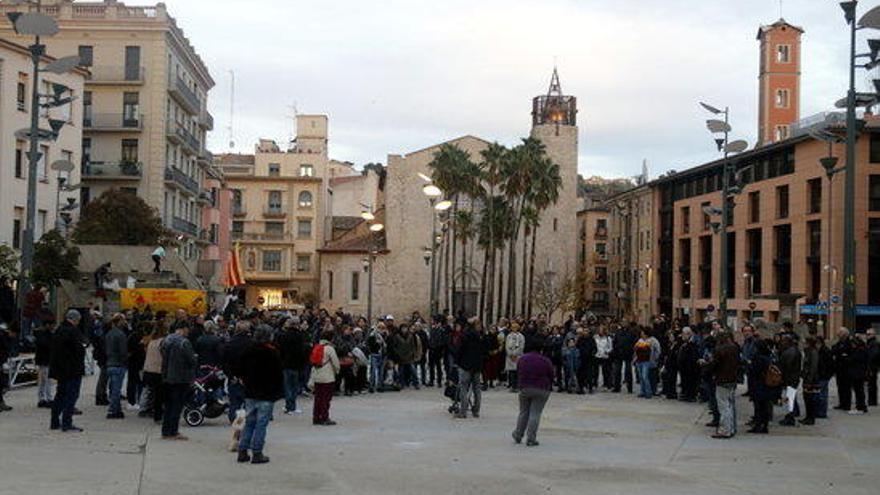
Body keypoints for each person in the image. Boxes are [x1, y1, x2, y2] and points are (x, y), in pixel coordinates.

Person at [236, 327, 284, 464]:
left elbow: (240, 369)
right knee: (261, 424)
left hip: (250, 391)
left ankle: (242, 450)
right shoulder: (272, 353)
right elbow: (278, 374)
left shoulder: (248, 351)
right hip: (267, 393)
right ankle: (257, 452)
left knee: (249, 422)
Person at [49, 310, 87, 432]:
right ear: (75, 319)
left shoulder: (59, 330)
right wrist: (83, 347)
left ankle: (54, 421)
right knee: (71, 396)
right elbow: (78, 350)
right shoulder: (73, 331)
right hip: (72, 370)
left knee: (60, 395)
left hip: (60, 370)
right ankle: (67, 422)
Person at [512, 341, 555, 447]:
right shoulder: (546, 360)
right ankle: (531, 438)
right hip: (542, 388)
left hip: (525, 387)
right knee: (535, 413)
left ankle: (518, 434)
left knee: (523, 412)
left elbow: (518, 372)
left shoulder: (522, 359)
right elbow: (551, 375)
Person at [160, 322, 197, 440]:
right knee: (177, 405)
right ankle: (173, 431)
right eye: (187, 329)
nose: (188, 332)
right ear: (183, 329)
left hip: (167, 376)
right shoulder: (184, 342)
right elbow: (191, 360)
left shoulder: (166, 341)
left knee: (168, 405)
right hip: (181, 377)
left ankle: (165, 431)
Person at [704, 331, 739, 439]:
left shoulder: (719, 350)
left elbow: (714, 365)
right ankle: (732, 428)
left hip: (721, 379)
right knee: (730, 404)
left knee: (723, 406)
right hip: (732, 379)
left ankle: (725, 430)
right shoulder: (734, 348)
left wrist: (706, 367)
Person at [455, 319, 486, 419]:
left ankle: (463, 411)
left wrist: (458, 362)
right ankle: (476, 411)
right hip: (477, 366)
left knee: (464, 388)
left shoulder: (464, 336)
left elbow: (459, 350)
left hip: (465, 365)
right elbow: (484, 352)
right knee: (477, 389)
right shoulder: (481, 337)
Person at [747, 339, 779, 434]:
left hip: (758, 385)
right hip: (766, 384)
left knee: (759, 406)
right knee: (764, 406)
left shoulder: (758, 358)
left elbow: (754, 371)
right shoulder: (768, 357)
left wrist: (749, 365)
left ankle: (758, 425)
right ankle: (764, 425)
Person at [276, 319, 306, 414]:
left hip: (285, 364)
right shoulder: (300, 336)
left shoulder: (283, 335)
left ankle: (288, 405)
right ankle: (292, 406)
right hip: (296, 364)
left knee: (287, 386)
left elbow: (279, 349)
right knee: (294, 386)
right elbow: (302, 351)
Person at [312, 330, 340, 426]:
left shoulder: (316, 347)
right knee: (326, 399)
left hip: (317, 376)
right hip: (327, 377)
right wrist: (337, 371)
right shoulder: (330, 349)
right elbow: (336, 363)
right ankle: (324, 417)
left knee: (318, 398)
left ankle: (316, 417)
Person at [104, 314, 129, 419]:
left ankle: (117, 409)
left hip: (110, 363)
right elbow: (123, 351)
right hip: (118, 364)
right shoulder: (121, 335)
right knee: (116, 389)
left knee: (113, 388)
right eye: (123, 321)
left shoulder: (108, 334)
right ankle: (113, 410)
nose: (125, 323)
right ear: (118, 322)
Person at [778, 333, 803, 426]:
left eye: (783, 341)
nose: (782, 343)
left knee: (790, 397)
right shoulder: (793, 350)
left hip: (790, 377)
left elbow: (787, 366)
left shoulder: (790, 352)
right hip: (793, 377)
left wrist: (782, 376)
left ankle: (791, 416)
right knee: (791, 397)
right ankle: (793, 412)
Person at [34, 317, 55, 408]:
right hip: (45, 360)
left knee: (43, 381)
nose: (53, 327)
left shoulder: (40, 334)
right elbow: (47, 345)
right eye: (52, 325)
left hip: (42, 360)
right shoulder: (45, 334)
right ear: (47, 325)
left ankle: (42, 398)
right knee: (47, 380)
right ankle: (48, 398)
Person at [800, 335, 820, 425]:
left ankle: (810, 418)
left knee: (810, 399)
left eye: (805, 342)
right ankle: (808, 416)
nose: (803, 344)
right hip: (806, 378)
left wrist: (810, 379)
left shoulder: (813, 352)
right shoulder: (808, 352)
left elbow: (813, 367)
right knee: (806, 398)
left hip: (811, 380)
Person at [633, 330, 654, 399]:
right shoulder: (639, 341)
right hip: (639, 360)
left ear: (646, 335)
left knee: (645, 376)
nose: (642, 335)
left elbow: (647, 348)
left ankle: (648, 392)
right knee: (641, 377)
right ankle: (642, 391)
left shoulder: (650, 341)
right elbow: (635, 348)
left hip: (646, 361)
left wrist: (640, 346)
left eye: (643, 334)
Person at [505, 323, 525, 392]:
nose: (514, 329)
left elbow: (521, 346)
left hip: (518, 356)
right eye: (513, 327)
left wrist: (515, 354)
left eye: (515, 327)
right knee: (511, 372)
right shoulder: (509, 336)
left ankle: (517, 386)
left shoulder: (521, 336)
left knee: (517, 372)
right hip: (510, 356)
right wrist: (510, 354)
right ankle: (512, 386)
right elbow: (507, 345)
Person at [867, 329, 879, 407]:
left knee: (872, 384)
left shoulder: (874, 343)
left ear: (873, 335)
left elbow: (874, 354)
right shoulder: (871, 343)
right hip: (872, 366)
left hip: (872, 366)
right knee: (871, 384)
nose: (867, 336)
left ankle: (872, 401)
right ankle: (872, 400)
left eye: (869, 334)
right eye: (867, 334)